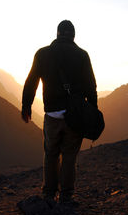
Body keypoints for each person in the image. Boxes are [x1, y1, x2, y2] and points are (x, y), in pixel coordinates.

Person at [21, 20, 98, 203]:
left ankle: (49, 193)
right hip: (75, 116)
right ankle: (66, 195)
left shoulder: (42, 54)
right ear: (73, 35)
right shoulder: (82, 55)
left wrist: (26, 106)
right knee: (70, 155)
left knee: (51, 153)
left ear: (57, 34)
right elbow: (90, 86)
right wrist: (93, 111)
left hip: (52, 115)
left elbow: (31, 81)